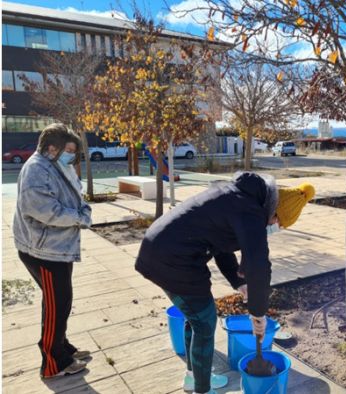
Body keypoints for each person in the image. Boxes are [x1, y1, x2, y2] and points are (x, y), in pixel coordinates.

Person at [135, 172, 314, 394]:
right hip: (172, 260)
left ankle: (194, 377)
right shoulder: (250, 213)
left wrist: (239, 283)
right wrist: (258, 313)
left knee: (197, 317)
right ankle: (202, 389)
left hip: (165, 250)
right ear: (274, 210)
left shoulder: (236, 198)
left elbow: (221, 247)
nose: (275, 225)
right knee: (204, 321)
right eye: (279, 221)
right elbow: (259, 265)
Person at [13, 123, 92, 379]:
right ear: (51, 148)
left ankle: (61, 345)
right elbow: (44, 210)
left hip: (54, 248)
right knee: (57, 303)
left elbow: (74, 194)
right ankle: (53, 362)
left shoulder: (54, 165)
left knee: (60, 302)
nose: (71, 155)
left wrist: (82, 210)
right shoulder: (37, 169)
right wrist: (78, 218)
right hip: (43, 250)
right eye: (68, 150)